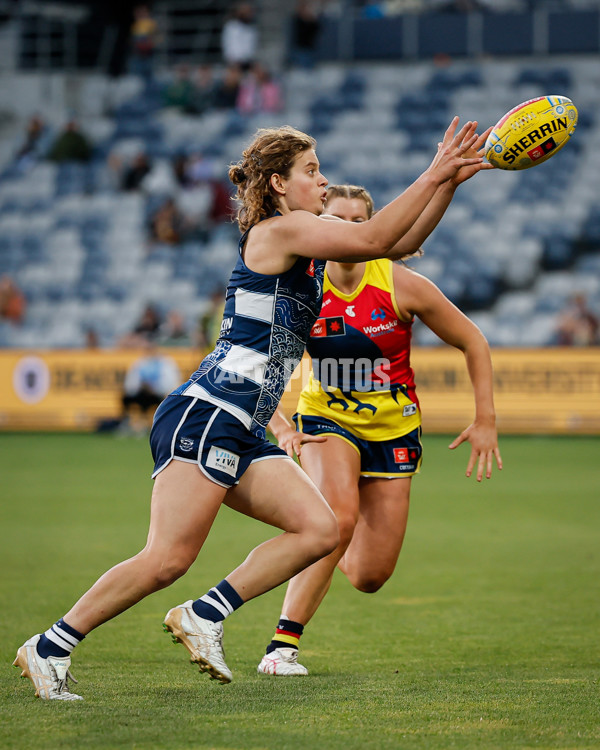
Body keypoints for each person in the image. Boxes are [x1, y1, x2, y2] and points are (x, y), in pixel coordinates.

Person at [13, 118, 489, 701]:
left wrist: (450, 184)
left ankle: (204, 615)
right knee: (166, 559)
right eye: (311, 171)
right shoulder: (277, 232)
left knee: (319, 529)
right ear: (279, 184)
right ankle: (50, 646)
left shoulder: (306, 241)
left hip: (244, 424)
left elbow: (387, 245)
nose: (322, 181)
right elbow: (370, 240)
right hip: (211, 410)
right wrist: (436, 169)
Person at [257, 178, 502, 677]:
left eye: (358, 222)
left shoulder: (402, 284)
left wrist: (485, 419)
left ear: (374, 228)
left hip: (394, 431)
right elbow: (253, 364)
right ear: (319, 225)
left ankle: (323, 545)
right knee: (337, 519)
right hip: (325, 418)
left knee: (370, 576)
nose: (346, 230)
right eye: (335, 220)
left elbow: (473, 341)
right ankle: (281, 647)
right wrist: (281, 427)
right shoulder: (303, 286)